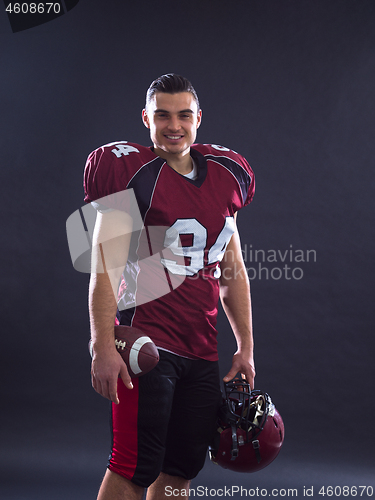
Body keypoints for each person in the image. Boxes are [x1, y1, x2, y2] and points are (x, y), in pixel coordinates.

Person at [84, 74, 256, 500]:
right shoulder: (131, 171)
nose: (173, 125)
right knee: (132, 467)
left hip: (201, 351)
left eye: (183, 114)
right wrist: (101, 345)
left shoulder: (225, 174)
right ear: (147, 118)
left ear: (199, 118)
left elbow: (232, 269)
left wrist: (245, 347)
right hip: (147, 344)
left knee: (181, 471)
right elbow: (103, 266)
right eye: (162, 115)